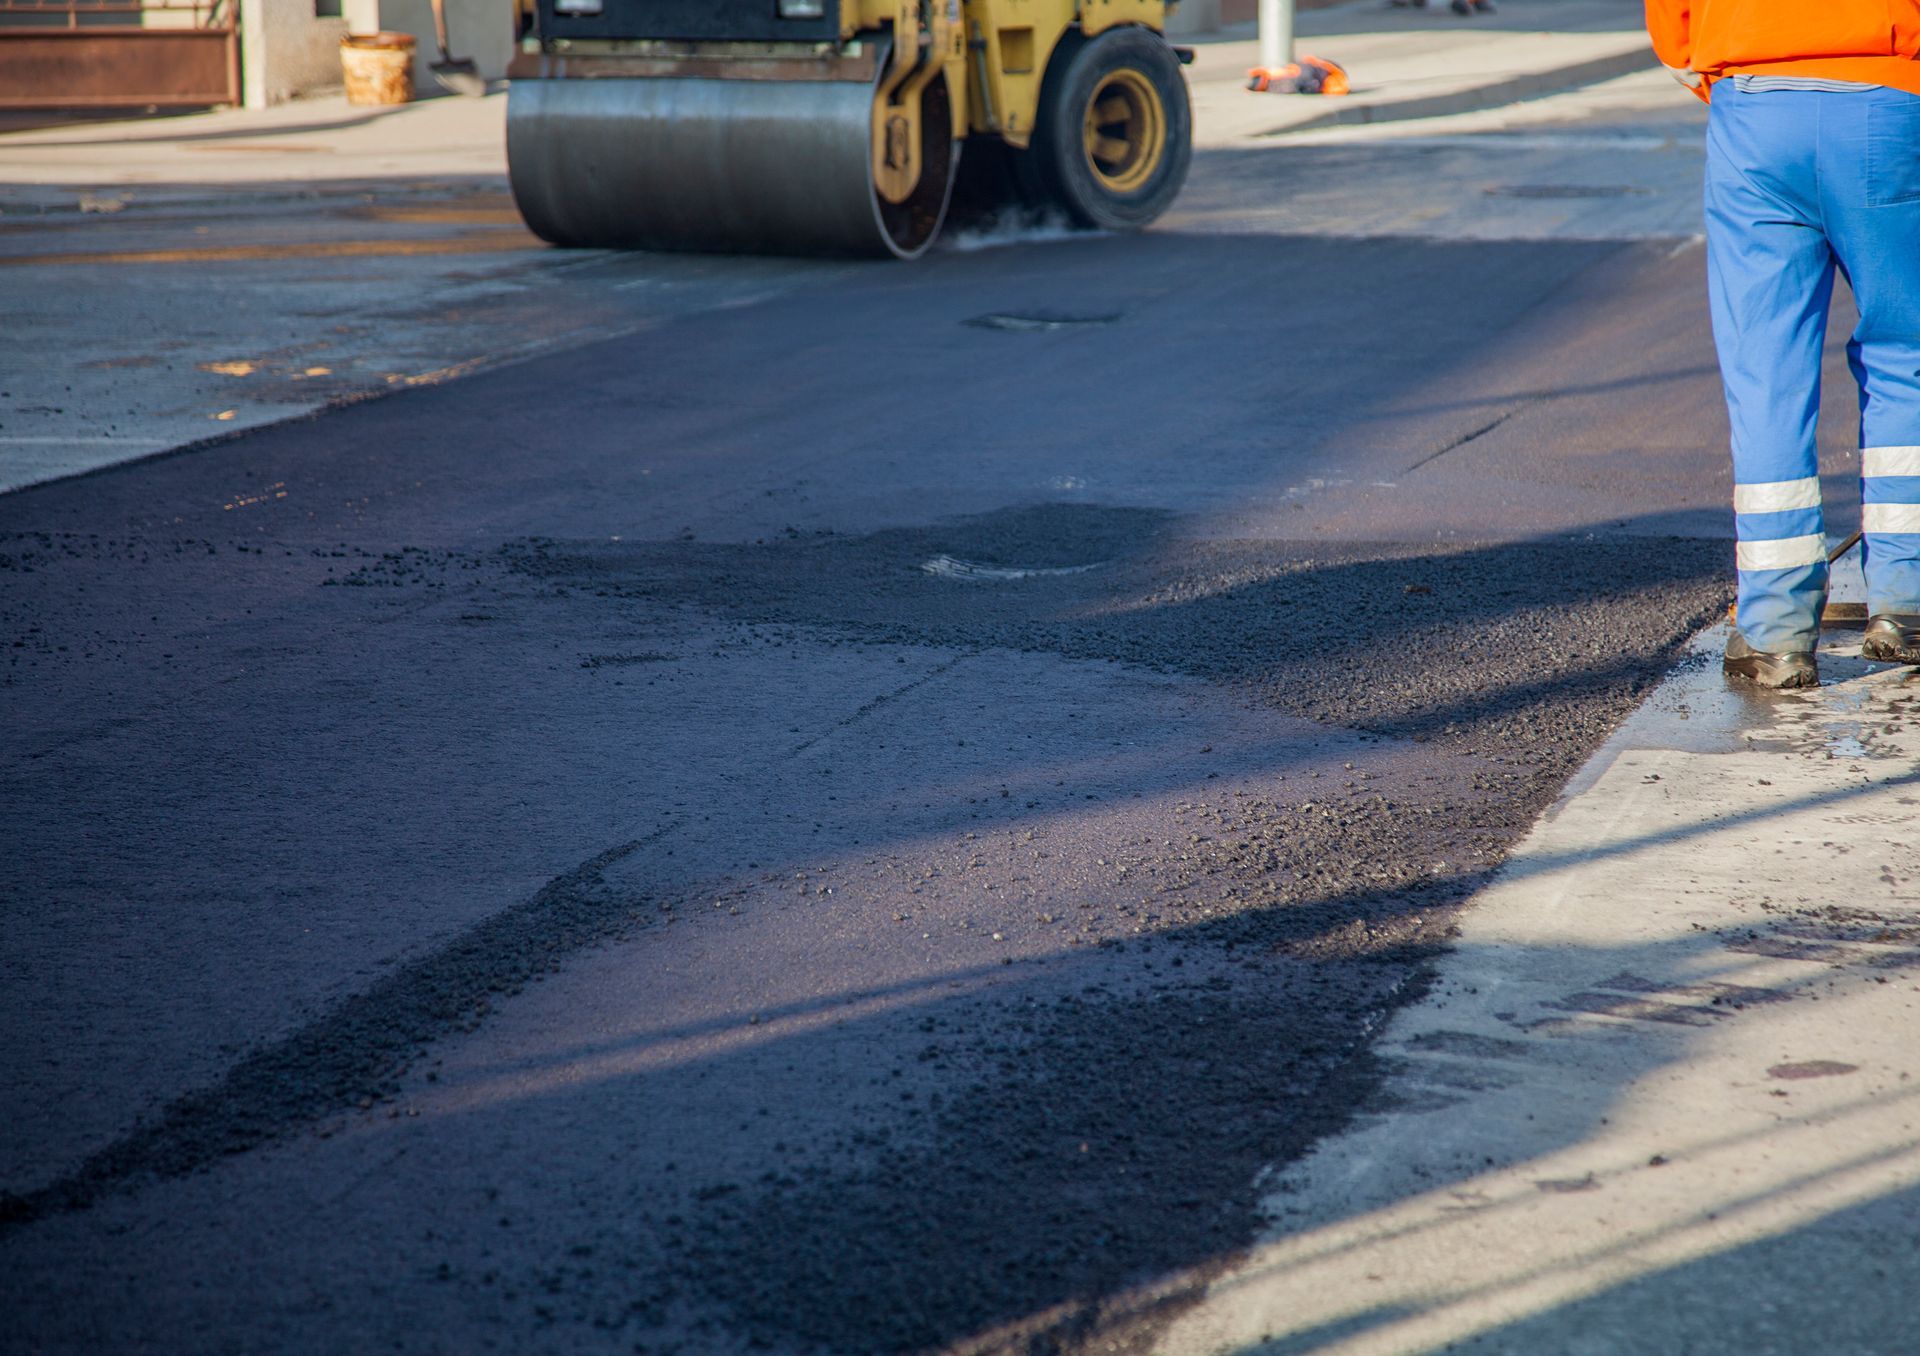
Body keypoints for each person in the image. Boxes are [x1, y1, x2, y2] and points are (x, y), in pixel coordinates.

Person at [1645, 0, 1920, 687]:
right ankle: (1908, 599)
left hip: (1755, 105)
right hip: (1889, 95)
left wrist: (1717, 66)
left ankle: (1775, 632)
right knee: (1906, 351)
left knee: (1765, 372)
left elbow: (1672, 25)